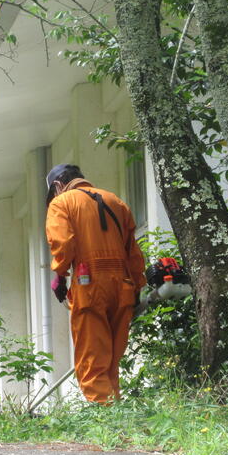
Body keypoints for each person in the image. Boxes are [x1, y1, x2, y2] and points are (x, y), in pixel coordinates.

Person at [44, 164, 146, 404]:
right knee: (111, 362)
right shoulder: (116, 201)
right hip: (123, 286)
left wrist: (60, 274)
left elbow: (63, 244)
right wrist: (137, 286)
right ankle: (115, 409)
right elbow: (133, 252)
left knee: (92, 361)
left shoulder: (61, 203)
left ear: (58, 185)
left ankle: (104, 414)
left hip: (89, 285)